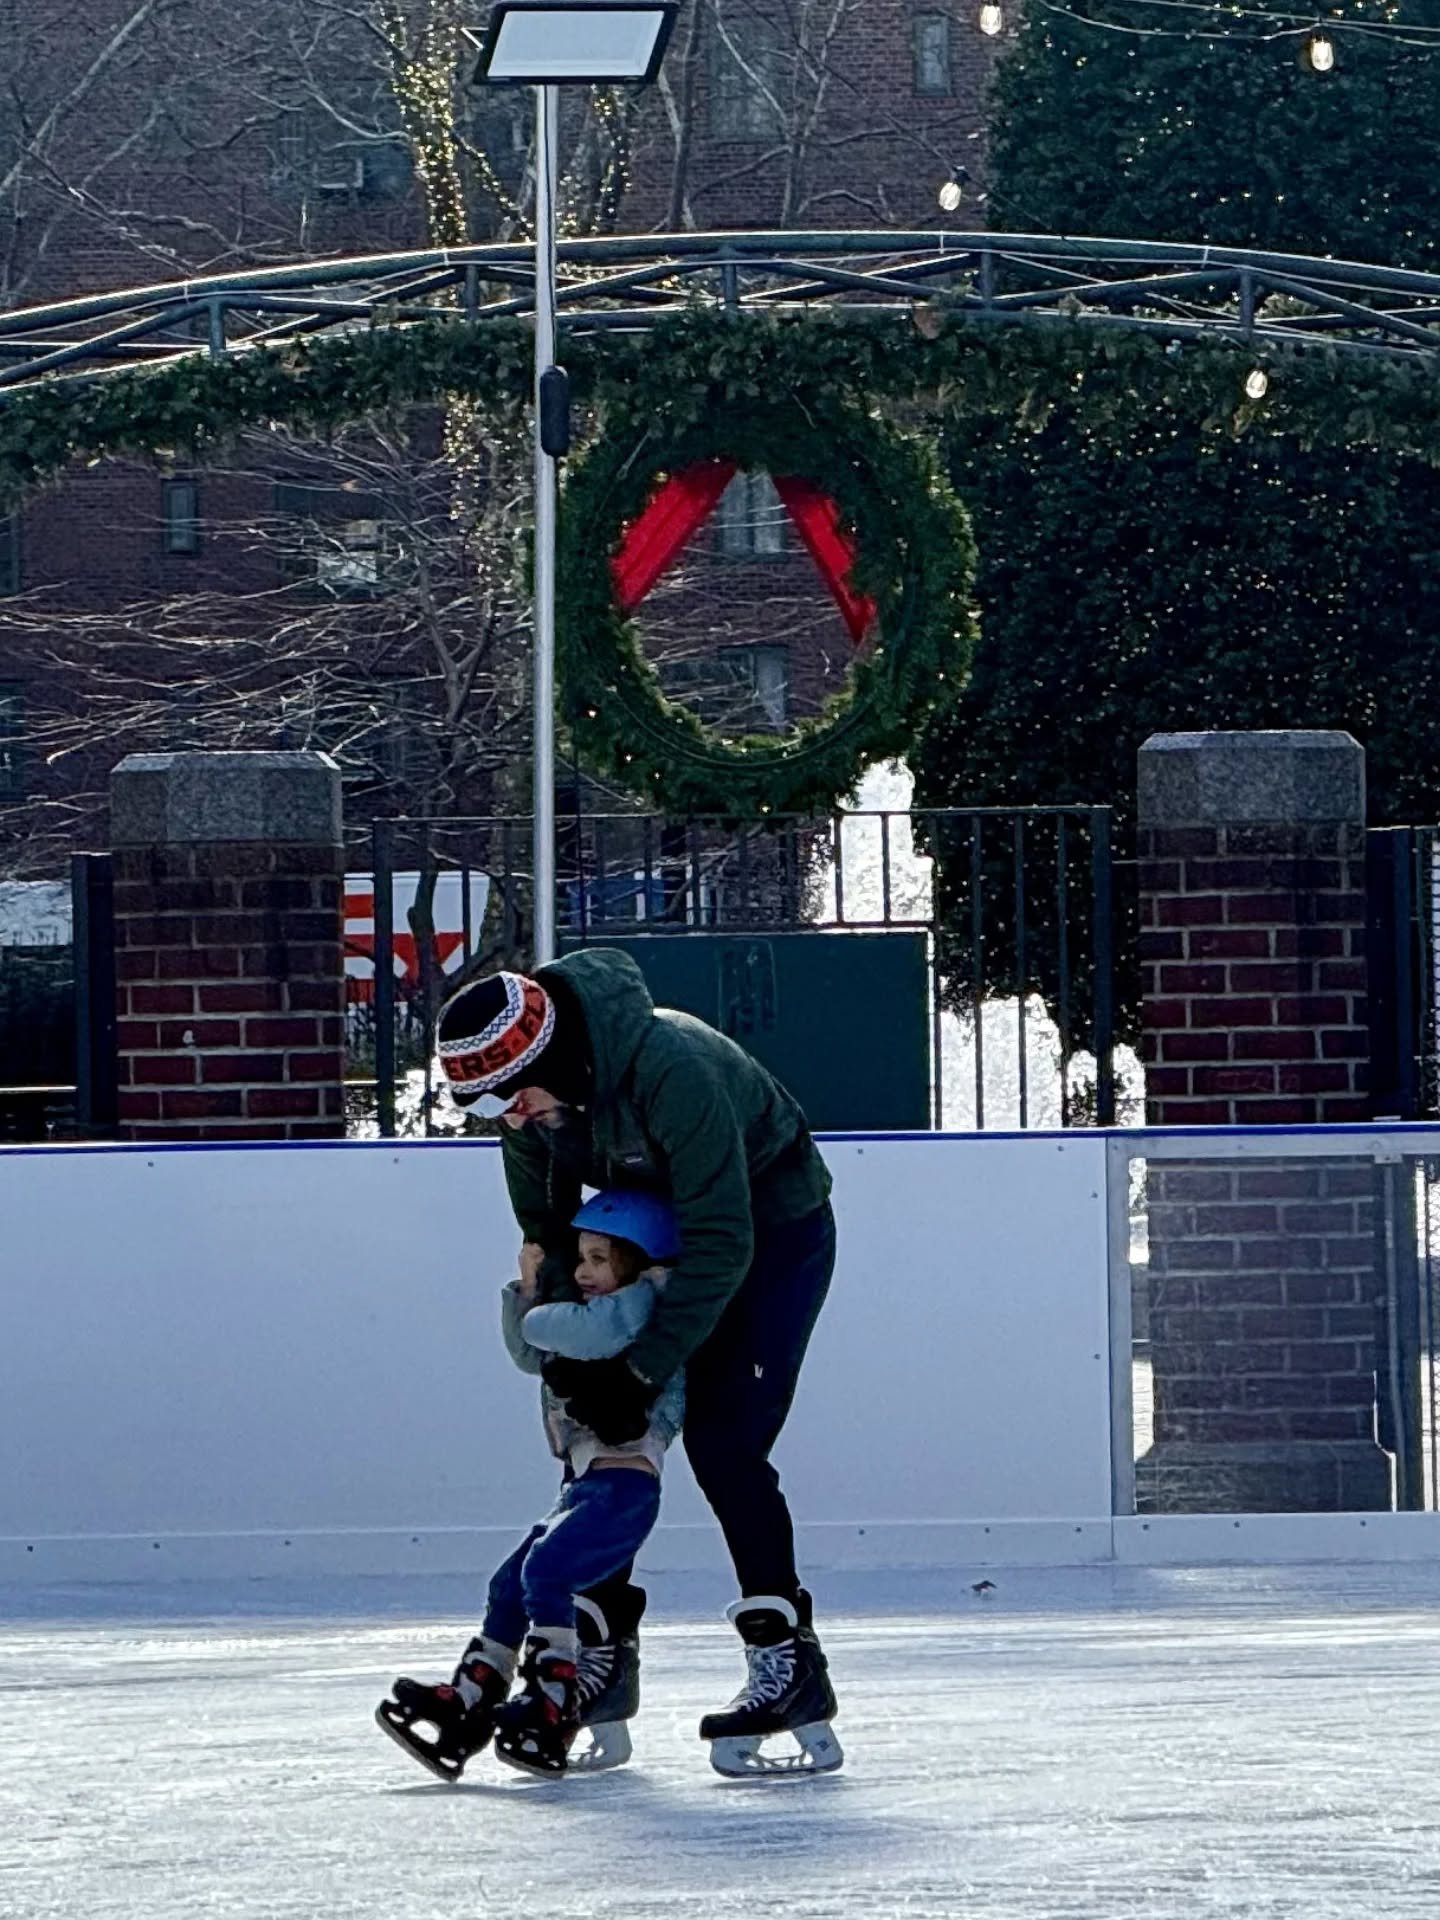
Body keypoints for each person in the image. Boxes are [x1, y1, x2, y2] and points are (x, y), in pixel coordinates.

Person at [433, 950, 843, 1776]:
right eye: (494, 1112)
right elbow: (548, 1236)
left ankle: (786, 1659)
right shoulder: (531, 1113)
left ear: (549, 1064)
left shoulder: (671, 1068)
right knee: (603, 1447)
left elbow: (725, 1240)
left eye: (515, 1099)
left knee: (725, 1441)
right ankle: (598, 1655)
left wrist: (642, 1368)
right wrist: (573, 1367)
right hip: (634, 1248)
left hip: (769, 1238)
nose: (511, 1121)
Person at [376, 1189, 684, 1781]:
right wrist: (525, 1289)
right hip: (586, 1486)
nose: (584, 1271)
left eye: (599, 1259)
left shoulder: (640, 1306)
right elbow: (527, 1354)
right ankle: (472, 1699)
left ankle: (553, 1699)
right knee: (509, 1582)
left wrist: (541, 1311)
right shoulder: (590, 1312)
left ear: (637, 1263)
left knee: (547, 1572)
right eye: (581, 1259)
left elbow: (567, 1336)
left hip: (625, 1492)